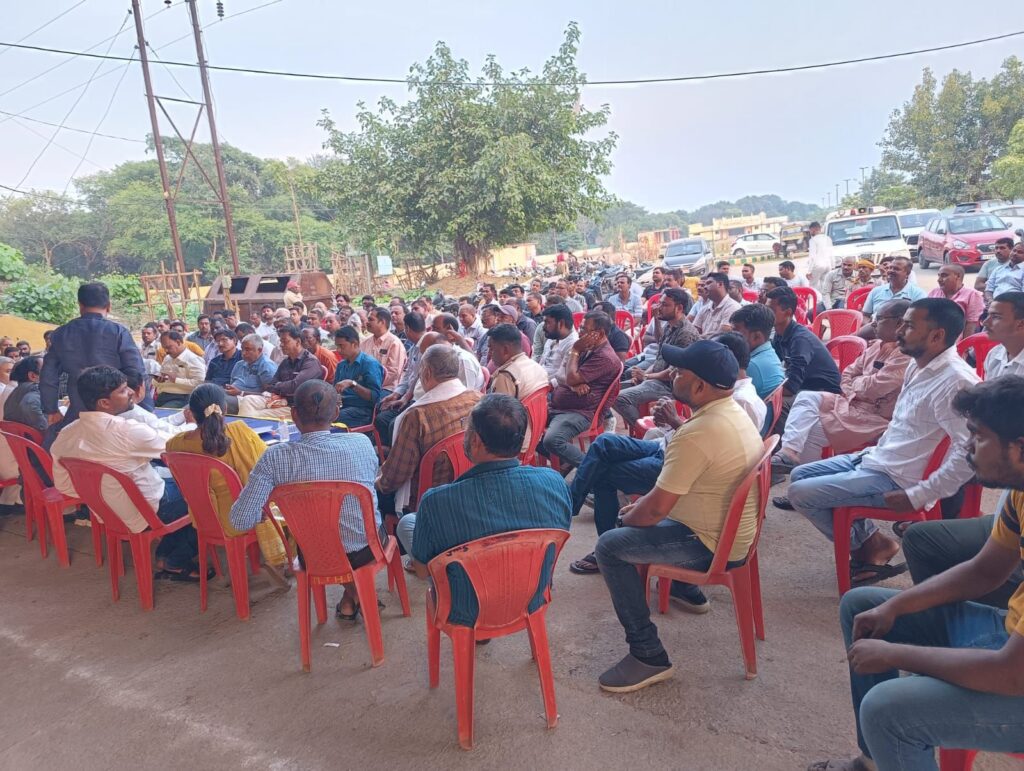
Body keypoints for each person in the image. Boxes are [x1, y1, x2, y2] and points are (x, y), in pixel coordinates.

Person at [811, 376, 1024, 771]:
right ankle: (875, 762)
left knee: (886, 710)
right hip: (1009, 640)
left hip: (1015, 674)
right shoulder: (1019, 492)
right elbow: (984, 571)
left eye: (979, 437)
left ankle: (890, 741)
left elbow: (1012, 675)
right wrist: (896, 607)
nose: (967, 446)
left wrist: (896, 654)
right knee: (863, 606)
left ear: (1020, 449)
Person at [593, 340, 764, 692]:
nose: (672, 375)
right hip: (724, 532)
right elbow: (662, 499)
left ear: (699, 386)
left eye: (680, 372)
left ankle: (648, 655)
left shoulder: (699, 432)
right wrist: (639, 510)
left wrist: (629, 519)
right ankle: (685, 590)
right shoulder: (730, 412)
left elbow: (656, 510)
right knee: (634, 517)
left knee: (610, 546)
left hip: (711, 544)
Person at [787, 298, 979, 586]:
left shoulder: (956, 381)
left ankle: (866, 547)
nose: (899, 331)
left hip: (898, 477)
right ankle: (872, 543)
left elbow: (970, 451)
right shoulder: (919, 365)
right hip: (879, 458)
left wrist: (922, 494)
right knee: (799, 474)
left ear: (936, 335)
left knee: (801, 493)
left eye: (909, 326)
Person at [230, 379, 381, 618]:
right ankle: (355, 593)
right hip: (367, 548)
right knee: (352, 521)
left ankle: (352, 593)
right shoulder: (361, 443)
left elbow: (240, 520)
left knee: (322, 532)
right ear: (337, 413)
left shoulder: (274, 458)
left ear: (293, 414)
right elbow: (370, 483)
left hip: (314, 555)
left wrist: (262, 514)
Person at [401, 393, 572, 592]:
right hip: (532, 595)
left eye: (466, 428)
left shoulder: (436, 502)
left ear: (475, 440)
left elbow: (422, 571)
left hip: (466, 605)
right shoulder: (555, 483)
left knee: (408, 523)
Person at [51, 366, 197, 578]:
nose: (130, 392)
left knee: (169, 478)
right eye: (122, 390)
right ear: (104, 403)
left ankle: (169, 550)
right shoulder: (127, 431)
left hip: (106, 513)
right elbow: (178, 444)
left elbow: (64, 486)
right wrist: (192, 424)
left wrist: (103, 494)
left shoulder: (67, 434)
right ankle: (174, 559)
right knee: (206, 493)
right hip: (149, 509)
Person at [165, 384, 287, 584]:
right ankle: (288, 559)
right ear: (226, 409)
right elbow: (268, 468)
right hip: (240, 519)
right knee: (285, 499)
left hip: (203, 518)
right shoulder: (239, 432)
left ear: (191, 414)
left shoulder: (174, 445)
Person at [772, 300, 911, 471]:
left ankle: (806, 478)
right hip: (852, 404)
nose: (873, 323)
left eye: (879, 318)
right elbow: (847, 373)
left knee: (810, 431)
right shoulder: (876, 346)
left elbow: (874, 387)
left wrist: (856, 383)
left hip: (875, 419)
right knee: (806, 397)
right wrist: (857, 386)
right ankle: (789, 451)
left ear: (899, 323)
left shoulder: (904, 355)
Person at [378, 346, 481, 525]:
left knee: (377, 493)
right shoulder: (478, 399)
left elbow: (394, 478)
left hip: (426, 498)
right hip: (468, 485)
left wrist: (377, 481)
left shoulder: (418, 416)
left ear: (426, 373)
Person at [41, 282, 146, 438]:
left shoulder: (61, 333)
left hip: (79, 409)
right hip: (116, 410)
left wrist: (51, 409)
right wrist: (141, 406)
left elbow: (48, 376)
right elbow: (136, 371)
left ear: (80, 305)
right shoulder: (118, 332)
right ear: (109, 306)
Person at [539, 311, 620, 470]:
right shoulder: (588, 347)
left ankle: (596, 470)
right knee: (523, 421)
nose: (580, 332)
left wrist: (575, 351)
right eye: (580, 327)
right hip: (560, 406)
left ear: (599, 333)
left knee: (552, 440)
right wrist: (573, 384)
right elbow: (561, 374)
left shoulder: (604, 357)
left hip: (580, 412)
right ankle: (564, 462)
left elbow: (570, 377)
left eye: (584, 329)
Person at [614, 289, 699, 429]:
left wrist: (646, 376)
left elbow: (672, 373)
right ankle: (642, 428)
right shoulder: (670, 325)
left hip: (669, 386)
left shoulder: (685, 333)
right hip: (656, 379)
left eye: (664, 305)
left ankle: (643, 432)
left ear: (679, 308)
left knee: (619, 398)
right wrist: (644, 375)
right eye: (659, 303)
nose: (659, 308)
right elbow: (659, 357)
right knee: (612, 391)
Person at [766, 287, 841, 430]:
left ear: (788, 312)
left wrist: (766, 392)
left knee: (776, 403)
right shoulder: (780, 334)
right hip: (805, 386)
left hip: (823, 392)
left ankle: (782, 442)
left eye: (771, 310)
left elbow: (791, 387)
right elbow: (773, 365)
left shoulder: (800, 339)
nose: (766, 314)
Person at [237, 325, 321, 419]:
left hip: (298, 406)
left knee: (257, 414)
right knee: (248, 400)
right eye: (281, 341)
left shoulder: (310, 362)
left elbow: (295, 386)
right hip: (279, 400)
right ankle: (244, 426)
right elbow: (270, 386)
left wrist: (279, 387)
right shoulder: (286, 362)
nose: (281, 345)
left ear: (297, 342)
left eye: (285, 341)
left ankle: (244, 427)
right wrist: (280, 391)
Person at [0, 355, 47, 510]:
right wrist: (47, 428)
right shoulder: (32, 389)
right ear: (33, 376)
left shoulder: (14, 391)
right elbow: (30, 406)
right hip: (35, 463)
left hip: (24, 461)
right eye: (46, 370)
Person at [374, 312, 427, 445]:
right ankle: (387, 448)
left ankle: (394, 450)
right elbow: (408, 375)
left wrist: (405, 398)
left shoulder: (426, 347)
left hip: (419, 398)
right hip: (408, 394)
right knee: (381, 411)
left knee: (391, 422)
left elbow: (417, 379)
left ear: (407, 328)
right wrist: (397, 394)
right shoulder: (414, 347)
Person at [728, 303, 787, 399]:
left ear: (756, 337)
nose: (730, 335)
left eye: (735, 332)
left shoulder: (751, 366)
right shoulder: (767, 353)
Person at [333, 325, 384, 428]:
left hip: (363, 411)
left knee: (332, 418)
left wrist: (352, 384)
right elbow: (335, 389)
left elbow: (375, 397)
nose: (338, 350)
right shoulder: (341, 365)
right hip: (343, 406)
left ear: (355, 344)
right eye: (337, 346)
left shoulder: (369, 364)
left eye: (342, 346)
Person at [487, 323, 548, 400]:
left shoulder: (506, 377)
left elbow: (496, 407)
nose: (489, 353)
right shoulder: (538, 368)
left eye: (491, 349)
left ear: (505, 350)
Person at [861, 256, 927, 322]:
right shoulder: (876, 291)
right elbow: (865, 316)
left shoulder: (918, 294)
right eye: (890, 268)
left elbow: (921, 320)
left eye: (896, 269)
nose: (891, 271)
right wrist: (872, 326)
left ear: (907, 273)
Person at [155, 330, 207, 408]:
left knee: (160, 413)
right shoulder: (167, 358)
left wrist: (176, 380)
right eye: (164, 348)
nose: (166, 351)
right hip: (162, 395)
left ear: (178, 342)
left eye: (168, 347)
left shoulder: (193, 359)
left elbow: (200, 383)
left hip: (183, 397)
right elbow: (161, 377)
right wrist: (158, 379)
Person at [928, 264, 984, 335]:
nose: (939, 280)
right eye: (939, 276)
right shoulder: (934, 292)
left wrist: (964, 342)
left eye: (944, 275)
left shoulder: (972, 295)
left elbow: (971, 324)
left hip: (958, 337)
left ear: (958, 276)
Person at [361, 307, 407, 391]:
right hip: (365, 387)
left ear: (382, 322)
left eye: (371, 319)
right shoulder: (365, 343)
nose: (367, 322)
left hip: (387, 389)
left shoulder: (394, 343)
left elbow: (394, 373)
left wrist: (372, 383)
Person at [983, 291, 1024, 378]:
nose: (985, 322)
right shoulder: (994, 354)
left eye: (996, 317)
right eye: (988, 315)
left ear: (1021, 324)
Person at [538, 304, 579, 386]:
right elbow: (542, 363)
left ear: (561, 323)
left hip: (548, 388)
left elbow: (562, 378)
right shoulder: (552, 338)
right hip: (537, 381)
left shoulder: (574, 344)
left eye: (547, 323)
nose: (544, 327)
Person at [806, 220, 835, 293]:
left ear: (813, 229)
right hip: (828, 265)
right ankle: (825, 298)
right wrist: (833, 266)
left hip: (817, 265)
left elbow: (812, 257)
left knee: (813, 286)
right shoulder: (828, 238)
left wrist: (809, 271)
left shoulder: (813, 240)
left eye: (810, 231)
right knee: (825, 285)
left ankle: (816, 299)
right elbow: (831, 253)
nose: (810, 232)